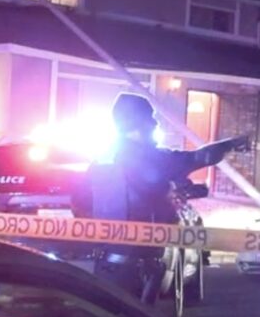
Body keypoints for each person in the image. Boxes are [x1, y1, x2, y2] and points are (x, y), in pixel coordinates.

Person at [89, 92, 248, 299]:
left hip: (105, 264)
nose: (155, 124)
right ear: (139, 123)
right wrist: (231, 144)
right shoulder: (149, 158)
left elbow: (81, 200)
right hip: (138, 268)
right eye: (151, 119)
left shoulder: (102, 157)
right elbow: (199, 157)